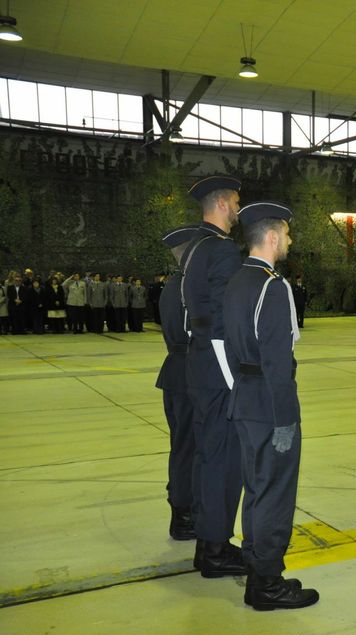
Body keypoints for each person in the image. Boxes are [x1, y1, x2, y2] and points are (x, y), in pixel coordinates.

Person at [223, 202, 318, 610]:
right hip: (270, 407)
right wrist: (285, 420)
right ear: (273, 236)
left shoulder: (236, 282)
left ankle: (256, 572)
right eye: (288, 234)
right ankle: (267, 583)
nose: (290, 242)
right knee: (275, 493)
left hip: (244, 399)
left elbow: (228, 348)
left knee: (256, 490)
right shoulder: (272, 286)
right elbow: (278, 362)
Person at [180, 175, 247, 577]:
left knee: (207, 457)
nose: (239, 208)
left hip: (197, 363)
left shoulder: (193, 248)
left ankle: (209, 544)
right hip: (218, 367)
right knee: (223, 460)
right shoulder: (223, 251)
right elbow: (223, 321)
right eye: (237, 202)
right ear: (222, 204)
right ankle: (217, 550)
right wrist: (234, 379)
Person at [157, 226, 200, 541]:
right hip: (190, 374)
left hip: (176, 370)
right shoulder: (190, 286)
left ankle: (185, 509)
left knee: (182, 446)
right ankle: (184, 514)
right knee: (189, 448)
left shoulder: (172, 285)